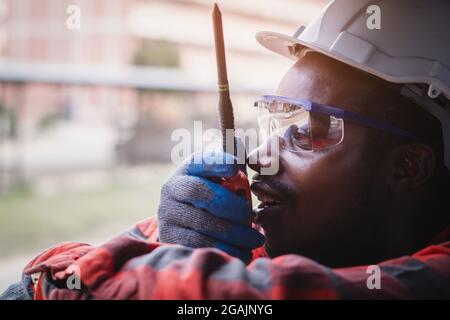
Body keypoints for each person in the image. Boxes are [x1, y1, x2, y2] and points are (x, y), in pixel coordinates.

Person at [1, 0, 449, 300]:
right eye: (277, 120)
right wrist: (169, 239)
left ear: (408, 166)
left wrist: (168, 262)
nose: (260, 156)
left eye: (307, 130)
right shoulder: (319, 241)